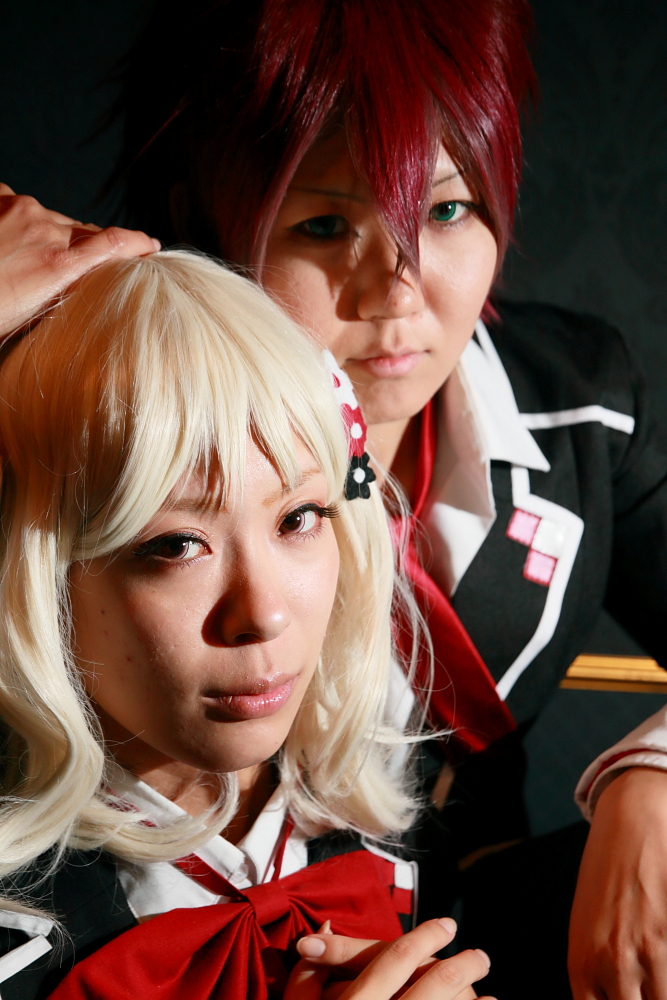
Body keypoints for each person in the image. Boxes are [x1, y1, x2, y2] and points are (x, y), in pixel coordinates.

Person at [106, 2, 665, 998]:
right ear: (201, 225)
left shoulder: (576, 399)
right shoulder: (101, 427)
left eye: (445, 213)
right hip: (189, 955)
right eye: (325, 226)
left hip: (475, 928)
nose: (396, 293)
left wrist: (650, 778)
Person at [0, 249, 492, 1000]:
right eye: (176, 545)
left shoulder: (416, 817)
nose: (261, 613)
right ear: (37, 573)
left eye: (298, 518)